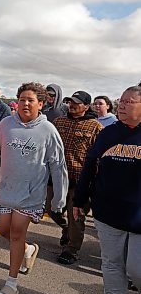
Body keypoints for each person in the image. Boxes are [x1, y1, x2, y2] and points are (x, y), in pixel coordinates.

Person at [0, 82, 68, 294]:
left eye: (31, 100)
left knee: (17, 232)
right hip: (7, 191)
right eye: (22, 100)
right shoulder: (5, 125)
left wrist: (59, 197)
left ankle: (11, 283)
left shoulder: (48, 130)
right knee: (4, 230)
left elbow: (58, 165)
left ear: (41, 104)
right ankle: (28, 249)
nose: (25, 104)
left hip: (31, 194)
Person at [73, 86, 141, 294]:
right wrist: (80, 199)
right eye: (121, 100)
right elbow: (90, 165)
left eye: (129, 102)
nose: (122, 104)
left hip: (138, 216)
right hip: (107, 213)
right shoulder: (108, 133)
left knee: (136, 270)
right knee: (111, 265)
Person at [52, 91, 102, 265]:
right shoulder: (58, 122)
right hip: (57, 177)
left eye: (77, 103)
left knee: (76, 217)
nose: (72, 105)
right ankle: (65, 228)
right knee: (51, 209)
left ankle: (71, 250)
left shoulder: (95, 127)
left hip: (81, 180)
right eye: (70, 102)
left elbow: (99, 156)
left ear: (86, 106)